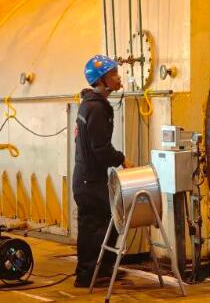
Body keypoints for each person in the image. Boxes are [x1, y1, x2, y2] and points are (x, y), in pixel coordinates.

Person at [74, 55, 131, 288]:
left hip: (88, 178)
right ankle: (88, 275)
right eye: (113, 74)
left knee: (106, 222)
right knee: (95, 226)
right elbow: (100, 148)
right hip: (89, 180)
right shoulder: (97, 108)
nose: (118, 78)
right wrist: (122, 160)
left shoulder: (90, 104)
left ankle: (101, 268)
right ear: (100, 80)